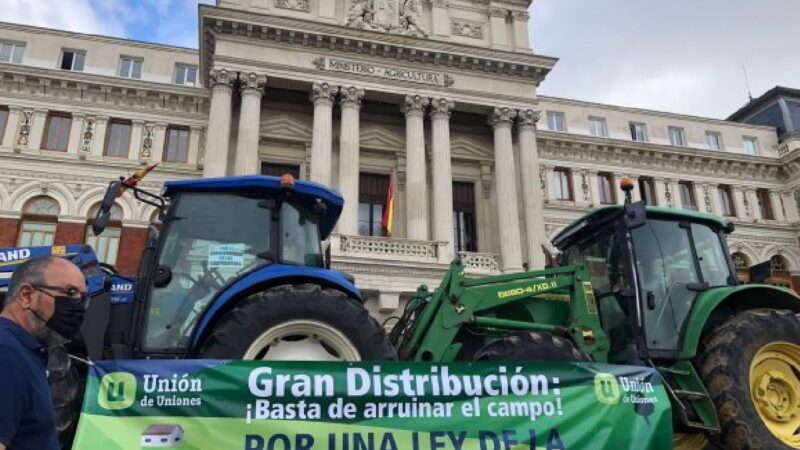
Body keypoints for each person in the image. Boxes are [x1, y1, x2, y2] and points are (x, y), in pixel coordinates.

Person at [0, 256, 87, 450]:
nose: (79, 307)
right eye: (70, 292)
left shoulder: (27, 352)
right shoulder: (6, 354)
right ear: (26, 296)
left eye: (82, 298)